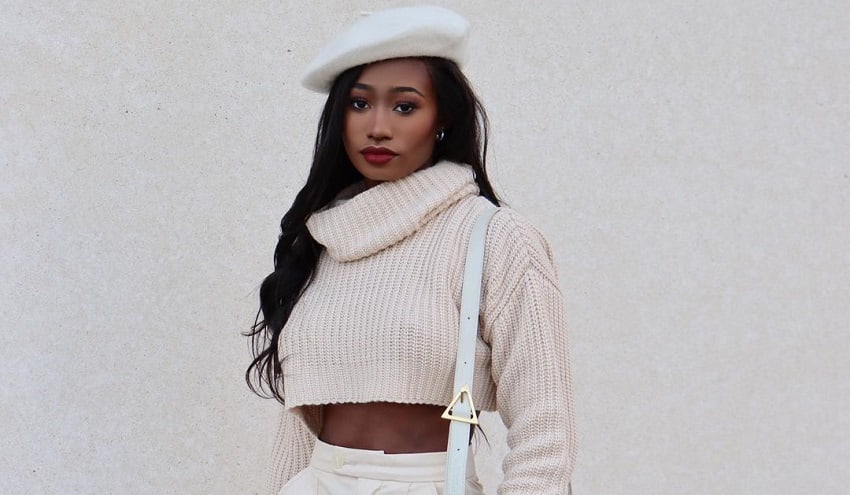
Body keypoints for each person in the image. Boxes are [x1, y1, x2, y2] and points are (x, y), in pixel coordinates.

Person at [246, 5, 576, 494]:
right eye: (359, 104)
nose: (377, 127)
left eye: (404, 106)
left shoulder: (494, 237)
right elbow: (302, 423)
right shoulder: (323, 240)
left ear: (442, 118)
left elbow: (545, 435)